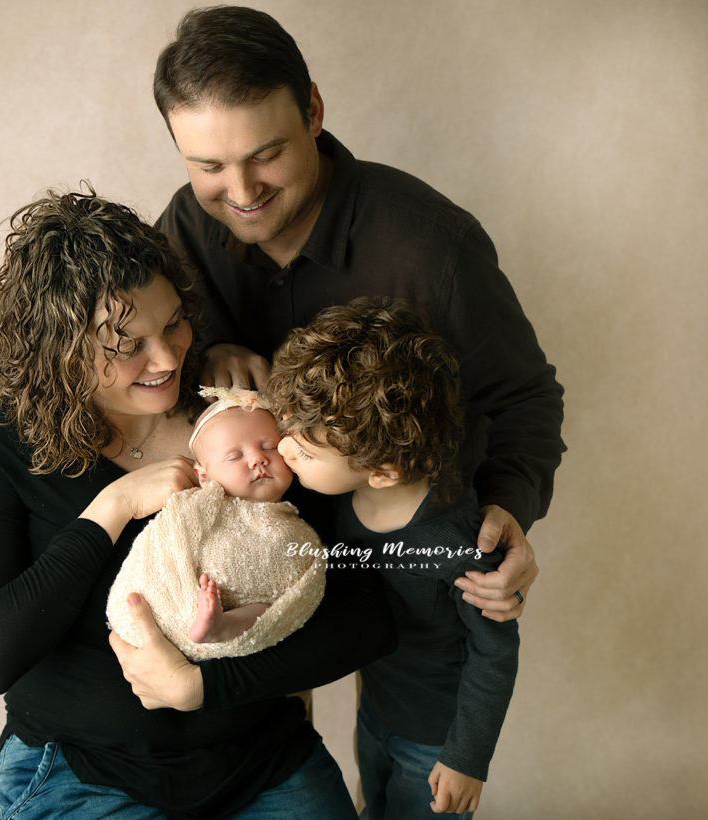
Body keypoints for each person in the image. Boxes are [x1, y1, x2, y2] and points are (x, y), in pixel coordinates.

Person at [0, 187, 394, 819]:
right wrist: (112, 508)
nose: (166, 358)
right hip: (77, 768)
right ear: (59, 349)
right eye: (127, 345)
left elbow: (366, 616)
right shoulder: (1, 443)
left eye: (173, 324)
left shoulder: (241, 418)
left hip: (258, 759)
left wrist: (204, 687)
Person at [152, 5, 566, 620]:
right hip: (250, 570)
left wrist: (508, 507)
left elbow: (524, 398)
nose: (240, 193)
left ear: (313, 111)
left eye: (265, 155)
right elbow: (144, 369)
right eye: (209, 166)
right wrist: (205, 354)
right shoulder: (184, 228)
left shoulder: (434, 247)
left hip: (410, 570)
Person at [266, 297, 519, 818]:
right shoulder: (337, 498)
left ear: (382, 471)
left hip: (435, 743)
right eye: (289, 431)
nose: (283, 449)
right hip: (376, 710)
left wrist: (467, 757)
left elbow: (494, 653)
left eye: (304, 451)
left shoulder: (458, 544)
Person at [106, 386, 326, 660]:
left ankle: (220, 627)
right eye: (235, 456)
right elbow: (166, 543)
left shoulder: (298, 531)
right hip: (180, 598)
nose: (258, 458)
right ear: (204, 476)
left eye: (269, 447)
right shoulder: (196, 507)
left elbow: (299, 597)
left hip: (238, 614)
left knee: (268, 609)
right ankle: (207, 621)